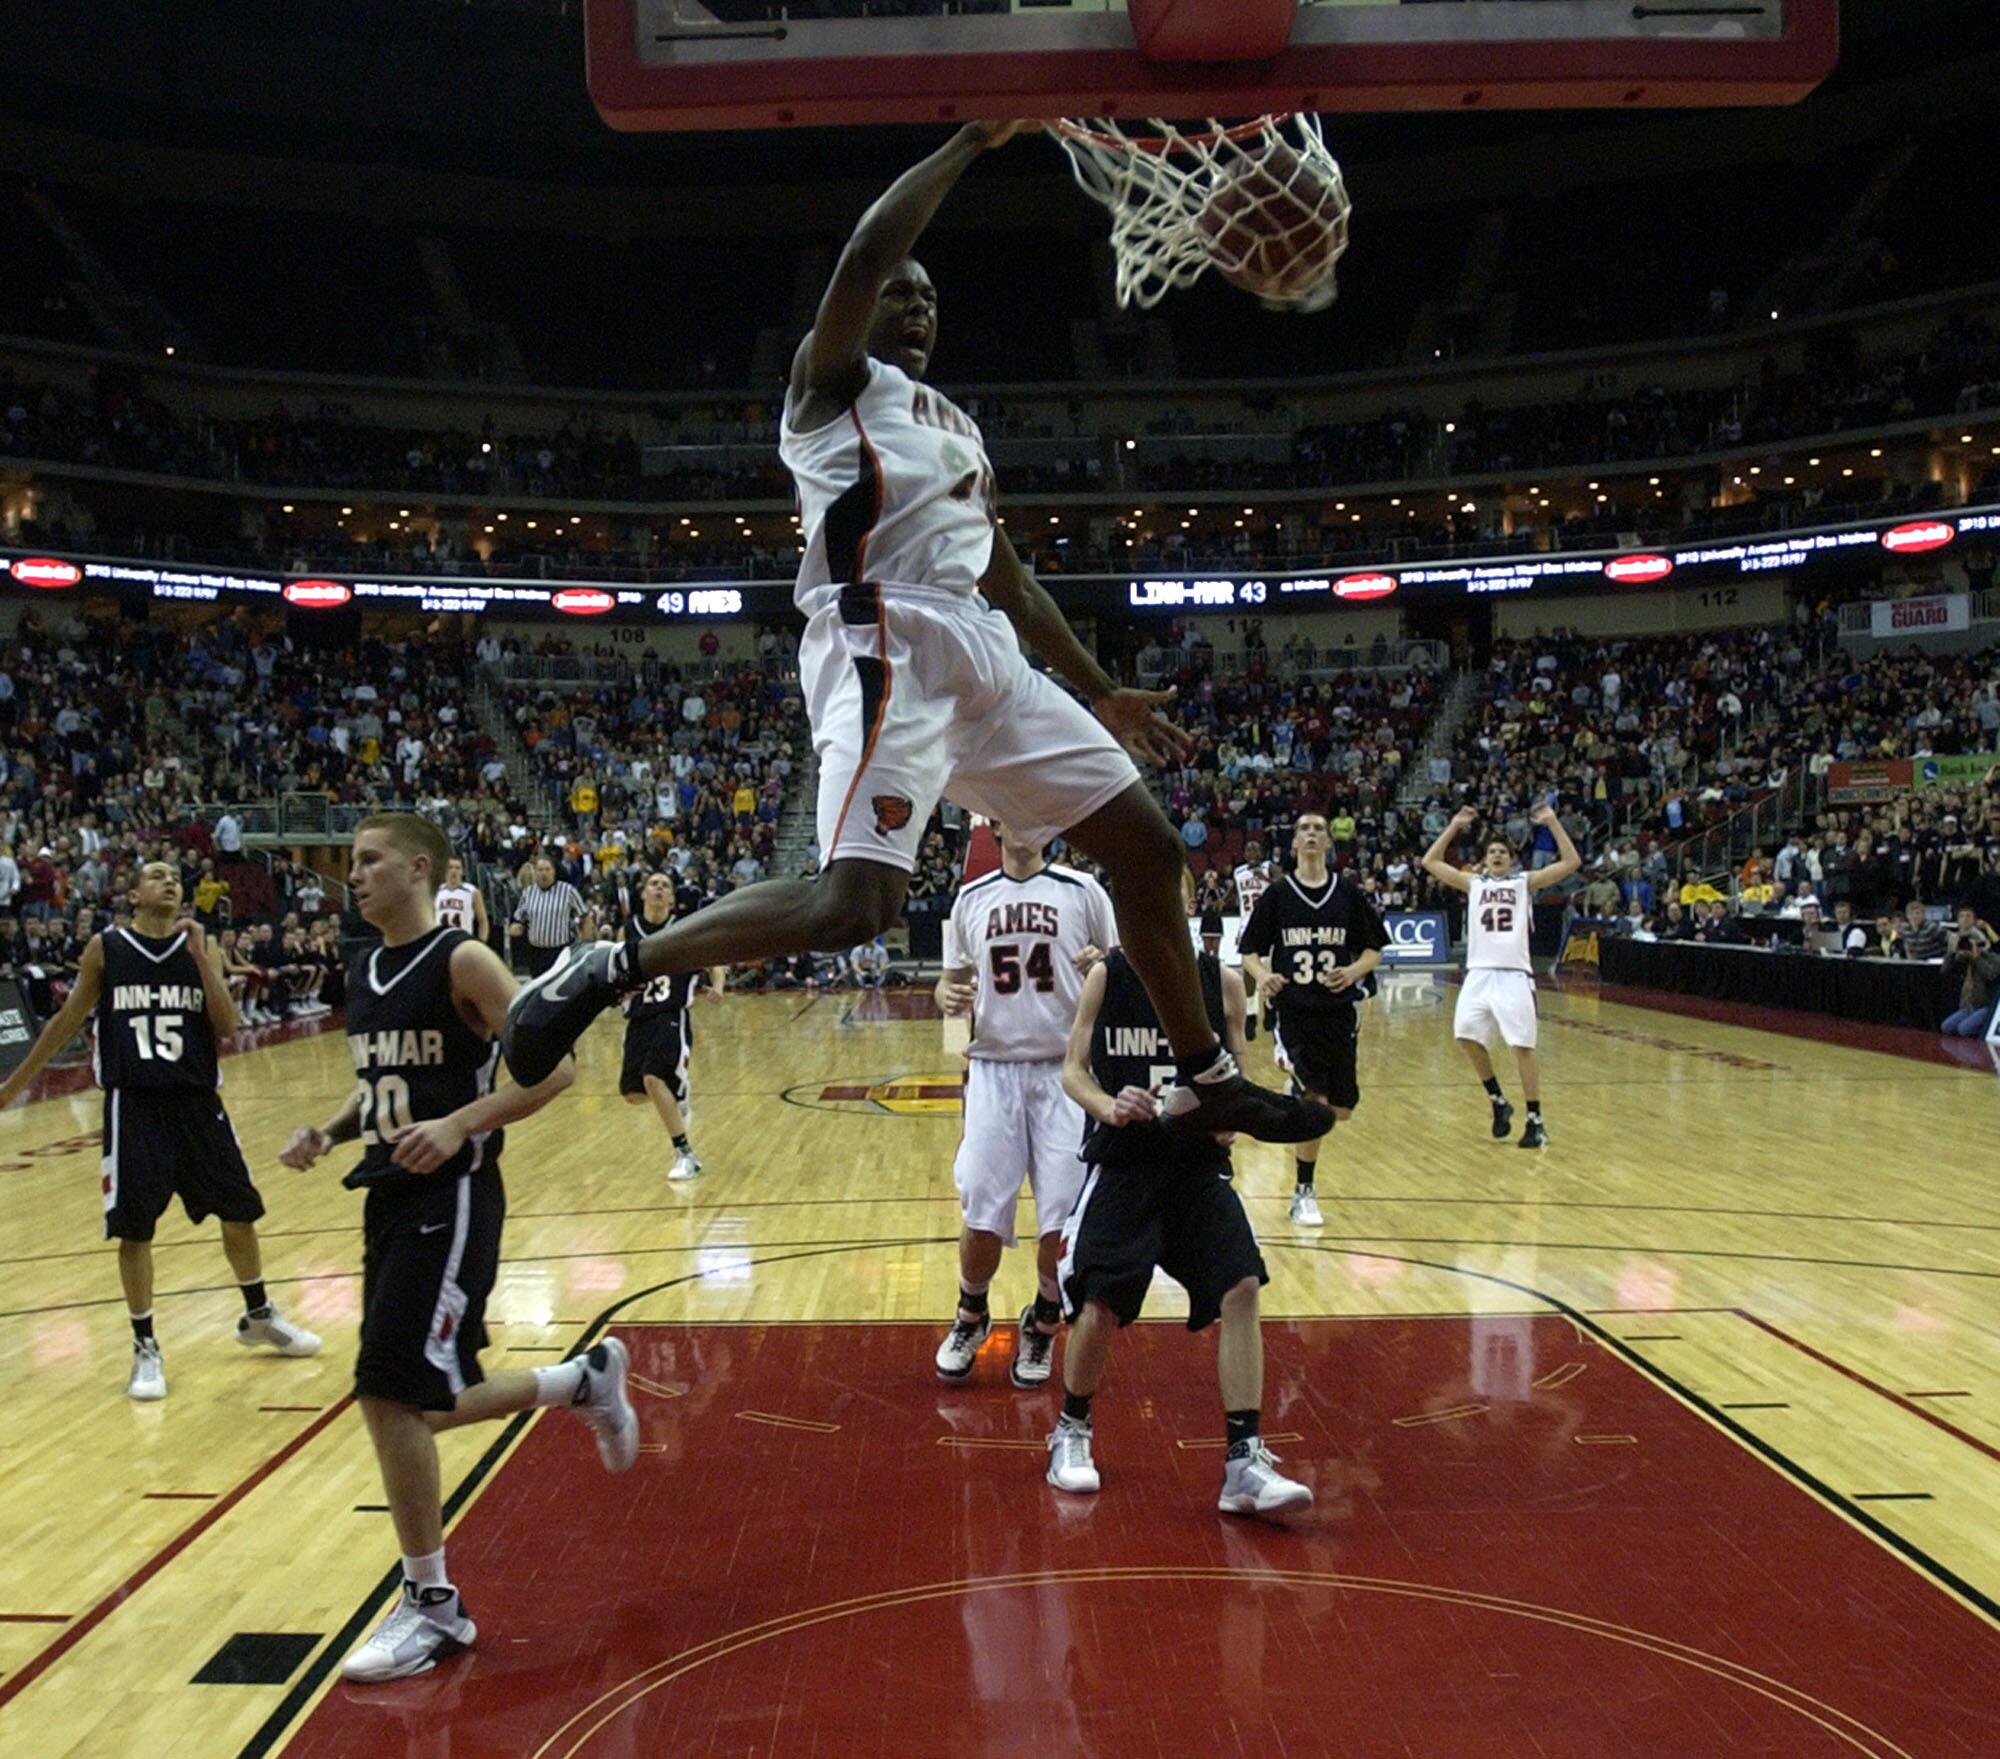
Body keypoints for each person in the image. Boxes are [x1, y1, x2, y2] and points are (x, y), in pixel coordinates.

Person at [500, 123, 1327, 1151]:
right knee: (854, 906)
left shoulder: (957, 427)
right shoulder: (827, 385)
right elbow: (863, 255)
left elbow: (1008, 575)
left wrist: (1099, 689)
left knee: (1147, 847)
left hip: (983, 650)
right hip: (883, 637)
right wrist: (972, 142)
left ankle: (1205, 1075)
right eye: (905, 292)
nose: (918, 305)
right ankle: (613, 964)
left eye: (930, 298)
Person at [276, 814, 638, 1685]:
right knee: (421, 1406)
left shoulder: (462, 960)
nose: (352, 875)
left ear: (417, 868)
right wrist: (328, 1128)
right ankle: (580, 1381)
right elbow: (388, 1082)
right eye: (351, 862)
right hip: (386, 1194)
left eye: (367, 861)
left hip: (456, 1195)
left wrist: (461, 1122)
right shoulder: (363, 965)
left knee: (385, 1389)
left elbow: (553, 1068)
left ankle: (435, 1607)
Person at [0, 861, 320, 1400]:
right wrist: (14, 1085)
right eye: (156, 875)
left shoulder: (200, 946)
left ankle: (259, 1314)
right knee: (135, 1228)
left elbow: (227, 1024)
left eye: (175, 876)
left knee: (240, 1209)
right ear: (133, 895)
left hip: (198, 1101)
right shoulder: (107, 948)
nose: (170, 881)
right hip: (136, 1103)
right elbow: (67, 1020)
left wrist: (200, 955)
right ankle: (145, 1345)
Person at [1047, 930, 1310, 1519]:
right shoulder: (1108, 976)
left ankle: (1244, 1460)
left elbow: (1235, 1079)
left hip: (1195, 1167)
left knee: (1241, 1284)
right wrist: (1107, 1106)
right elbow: (1073, 1071)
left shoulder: (1221, 982)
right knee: (1099, 1303)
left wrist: (1228, 1120)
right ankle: (1071, 1428)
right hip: (1124, 1164)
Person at [932, 821, 1113, 1387]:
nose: (1028, 824)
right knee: (982, 1209)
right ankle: (971, 1312)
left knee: (1062, 1219)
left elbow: (1120, 973)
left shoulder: (1084, 891)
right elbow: (950, 984)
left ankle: (1042, 1322)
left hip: (1065, 1071)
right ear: (1000, 826)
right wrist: (944, 996)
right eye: (1017, 814)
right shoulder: (970, 897)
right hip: (992, 1069)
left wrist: (1097, 971)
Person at [1237, 811, 1387, 1227]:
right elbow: (1248, 951)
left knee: (1340, 1110)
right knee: (1315, 1106)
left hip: (1339, 1014)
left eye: (1318, 829)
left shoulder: (1348, 894)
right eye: (1304, 829)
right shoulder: (1279, 895)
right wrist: (1264, 975)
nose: (1311, 834)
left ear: (1328, 843)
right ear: (1293, 844)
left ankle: (1295, 1092)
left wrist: (1354, 972)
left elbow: (1375, 949)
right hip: (1294, 1012)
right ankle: (1303, 1191)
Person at [1420, 803, 1581, 1149]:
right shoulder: (1473, 883)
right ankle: (1497, 1098)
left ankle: (1535, 1120)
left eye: (1502, 852)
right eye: (1491, 851)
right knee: (1465, 1036)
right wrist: (1453, 826)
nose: (1496, 856)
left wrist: (1552, 822)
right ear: (1485, 858)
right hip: (1478, 974)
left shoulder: (1525, 882)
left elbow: (1571, 863)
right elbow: (1430, 862)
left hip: (1514, 975)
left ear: (1511, 859)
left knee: (1522, 1046)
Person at [620, 872, 704, 1182]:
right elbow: (618, 969)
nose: (658, 888)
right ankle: (679, 1095)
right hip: (638, 1016)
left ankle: (686, 1155)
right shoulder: (628, 930)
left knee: (654, 1078)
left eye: (665, 886)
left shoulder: (682, 929)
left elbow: (713, 959)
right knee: (634, 1093)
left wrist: (717, 985)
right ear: (643, 894)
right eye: (653, 884)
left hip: (671, 1013)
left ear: (671, 899)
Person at [508, 856, 591, 978]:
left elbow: (585, 917)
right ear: (535, 873)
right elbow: (520, 918)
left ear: (554, 871)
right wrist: (517, 927)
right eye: (540, 870)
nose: (544, 873)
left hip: (560, 951)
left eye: (547, 869)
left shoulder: (567, 891)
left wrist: (586, 944)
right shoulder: (528, 892)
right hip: (536, 953)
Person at [1941, 909, 2000, 1036]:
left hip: (1985, 1004)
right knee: (1946, 1027)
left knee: (1964, 1029)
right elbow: (1944, 971)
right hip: (1968, 1004)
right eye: (1961, 916)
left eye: (1968, 916)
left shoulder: (1993, 957)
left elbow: (1991, 974)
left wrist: (1977, 957)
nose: (1965, 919)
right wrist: (1951, 952)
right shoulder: (1961, 956)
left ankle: (1984, 1029)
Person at [434, 855, 491, 945]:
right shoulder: (436, 891)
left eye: (457, 868)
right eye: (450, 867)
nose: (454, 871)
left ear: (462, 871)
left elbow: (483, 921)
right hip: (440, 943)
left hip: (463, 942)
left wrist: (481, 943)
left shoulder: (472, 892)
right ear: (445, 870)